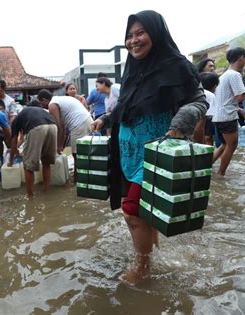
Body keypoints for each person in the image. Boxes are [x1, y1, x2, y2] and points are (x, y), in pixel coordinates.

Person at [92, 10, 208, 284]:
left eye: (140, 33)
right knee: (142, 210)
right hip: (128, 153)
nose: (134, 41)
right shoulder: (132, 69)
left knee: (131, 212)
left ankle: (142, 267)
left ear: (155, 33)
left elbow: (199, 101)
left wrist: (180, 123)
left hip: (156, 153)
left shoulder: (176, 64)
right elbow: (126, 106)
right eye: (129, 35)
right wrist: (107, 118)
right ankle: (152, 248)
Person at [212, 47, 245, 176]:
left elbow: (226, 99)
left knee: (223, 145)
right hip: (227, 117)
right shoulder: (234, 75)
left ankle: (205, 169)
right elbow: (240, 97)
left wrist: (239, 109)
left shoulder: (224, 75)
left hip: (219, 116)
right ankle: (220, 174)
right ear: (241, 58)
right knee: (231, 146)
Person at [37, 89, 92, 177]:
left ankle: (78, 179)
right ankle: (83, 175)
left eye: (41, 103)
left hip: (79, 124)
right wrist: (61, 145)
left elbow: (59, 127)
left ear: (44, 100)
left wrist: (59, 146)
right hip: (88, 120)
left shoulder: (52, 105)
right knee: (85, 152)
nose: (42, 106)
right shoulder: (60, 99)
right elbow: (62, 127)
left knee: (76, 154)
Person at [9, 100, 57, 197]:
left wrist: (11, 160)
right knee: (46, 162)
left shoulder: (16, 119)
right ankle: (46, 191)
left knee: (28, 165)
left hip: (37, 127)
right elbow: (23, 138)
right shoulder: (38, 112)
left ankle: (30, 197)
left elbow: (13, 142)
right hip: (53, 126)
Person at [199, 72, 220, 146]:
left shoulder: (197, 92)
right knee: (208, 138)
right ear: (215, 86)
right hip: (207, 119)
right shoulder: (211, 95)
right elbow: (210, 115)